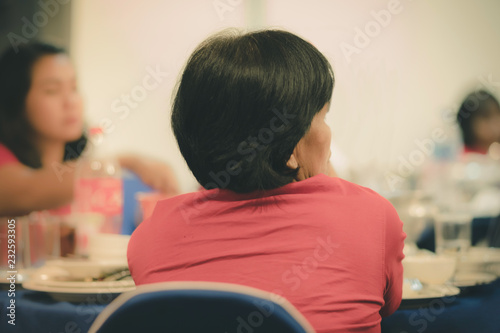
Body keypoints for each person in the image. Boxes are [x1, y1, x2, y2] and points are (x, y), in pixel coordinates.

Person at [128, 29, 405, 332]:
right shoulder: (372, 217)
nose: (328, 135)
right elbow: (389, 305)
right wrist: (337, 192)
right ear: (287, 149)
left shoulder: (149, 237)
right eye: (322, 118)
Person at [0, 42, 180, 217]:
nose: (70, 101)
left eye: (74, 88)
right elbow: (31, 190)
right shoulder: (4, 160)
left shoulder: (80, 171)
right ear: (15, 102)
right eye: (52, 90)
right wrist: (127, 161)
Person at [457, 90, 500, 155]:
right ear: (469, 123)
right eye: (486, 116)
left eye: (498, 113)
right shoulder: (463, 159)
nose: (496, 121)